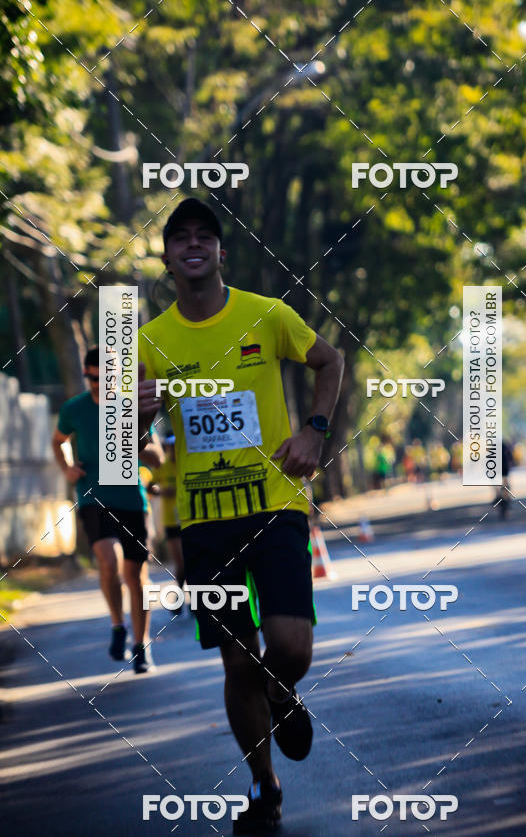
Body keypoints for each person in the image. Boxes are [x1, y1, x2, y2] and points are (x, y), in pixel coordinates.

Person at [137, 198, 344, 833]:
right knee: (235, 662)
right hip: (203, 522)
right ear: (168, 257)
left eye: (206, 236)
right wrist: (133, 415)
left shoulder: (266, 314)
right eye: (180, 237)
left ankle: (282, 693)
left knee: (290, 646)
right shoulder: (147, 342)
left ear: (221, 252)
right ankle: (264, 787)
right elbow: (122, 443)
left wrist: (314, 431)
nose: (193, 244)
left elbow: (330, 361)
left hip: (275, 505)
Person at [52, 346, 163, 673]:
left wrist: (136, 442)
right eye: (91, 378)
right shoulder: (74, 409)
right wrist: (67, 468)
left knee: (136, 576)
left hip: (131, 499)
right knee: (108, 559)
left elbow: (158, 456)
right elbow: (57, 440)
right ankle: (118, 625)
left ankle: (141, 646)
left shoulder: (131, 408)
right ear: (86, 376)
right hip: (92, 496)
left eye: (105, 378)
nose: (98, 384)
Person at [150, 433, 185, 614]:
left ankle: (192, 601)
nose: (172, 450)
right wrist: (161, 491)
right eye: (170, 447)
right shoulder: (162, 467)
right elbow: (151, 486)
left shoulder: (188, 463)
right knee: (181, 563)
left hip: (191, 519)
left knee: (190, 562)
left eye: (175, 446)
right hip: (172, 521)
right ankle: (179, 600)